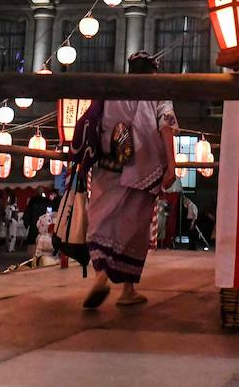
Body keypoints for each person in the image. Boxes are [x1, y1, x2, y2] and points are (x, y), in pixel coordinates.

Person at [82, 51, 179, 310]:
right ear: (154, 71)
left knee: (102, 219)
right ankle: (127, 290)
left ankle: (101, 275)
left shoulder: (113, 89)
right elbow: (165, 126)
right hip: (143, 167)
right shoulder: (158, 90)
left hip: (110, 164)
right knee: (133, 228)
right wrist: (172, 165)